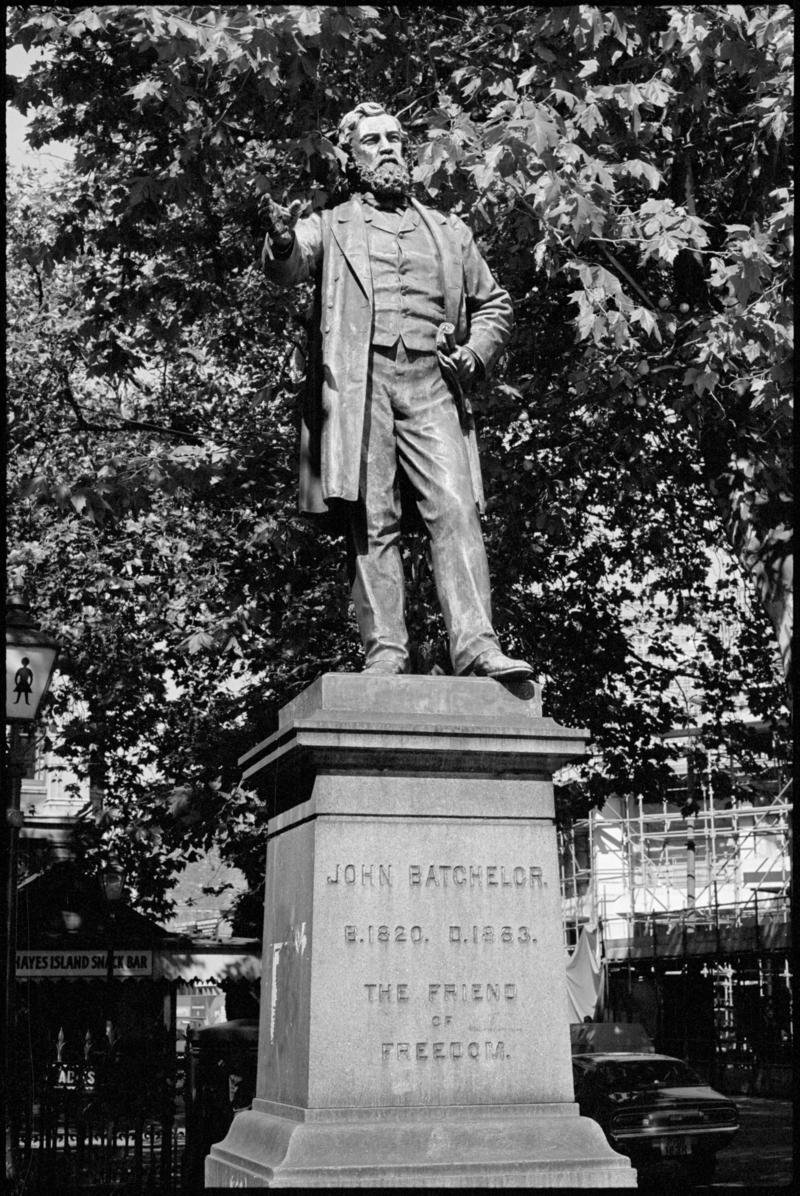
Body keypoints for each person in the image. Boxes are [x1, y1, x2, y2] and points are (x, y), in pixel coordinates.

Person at [260, 101, 533, 681]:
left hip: (434, 383)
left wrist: (476, 352)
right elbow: (290, 264)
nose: (386, 147)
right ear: (352, 157)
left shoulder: (449, 231)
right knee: (373, 518)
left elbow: (495, 305)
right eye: (371, 141)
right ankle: (385, 650)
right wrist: (281, 240)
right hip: (363, 385)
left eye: (393, 138)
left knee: (456, 508)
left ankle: (478, 647)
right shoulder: (330, 226)